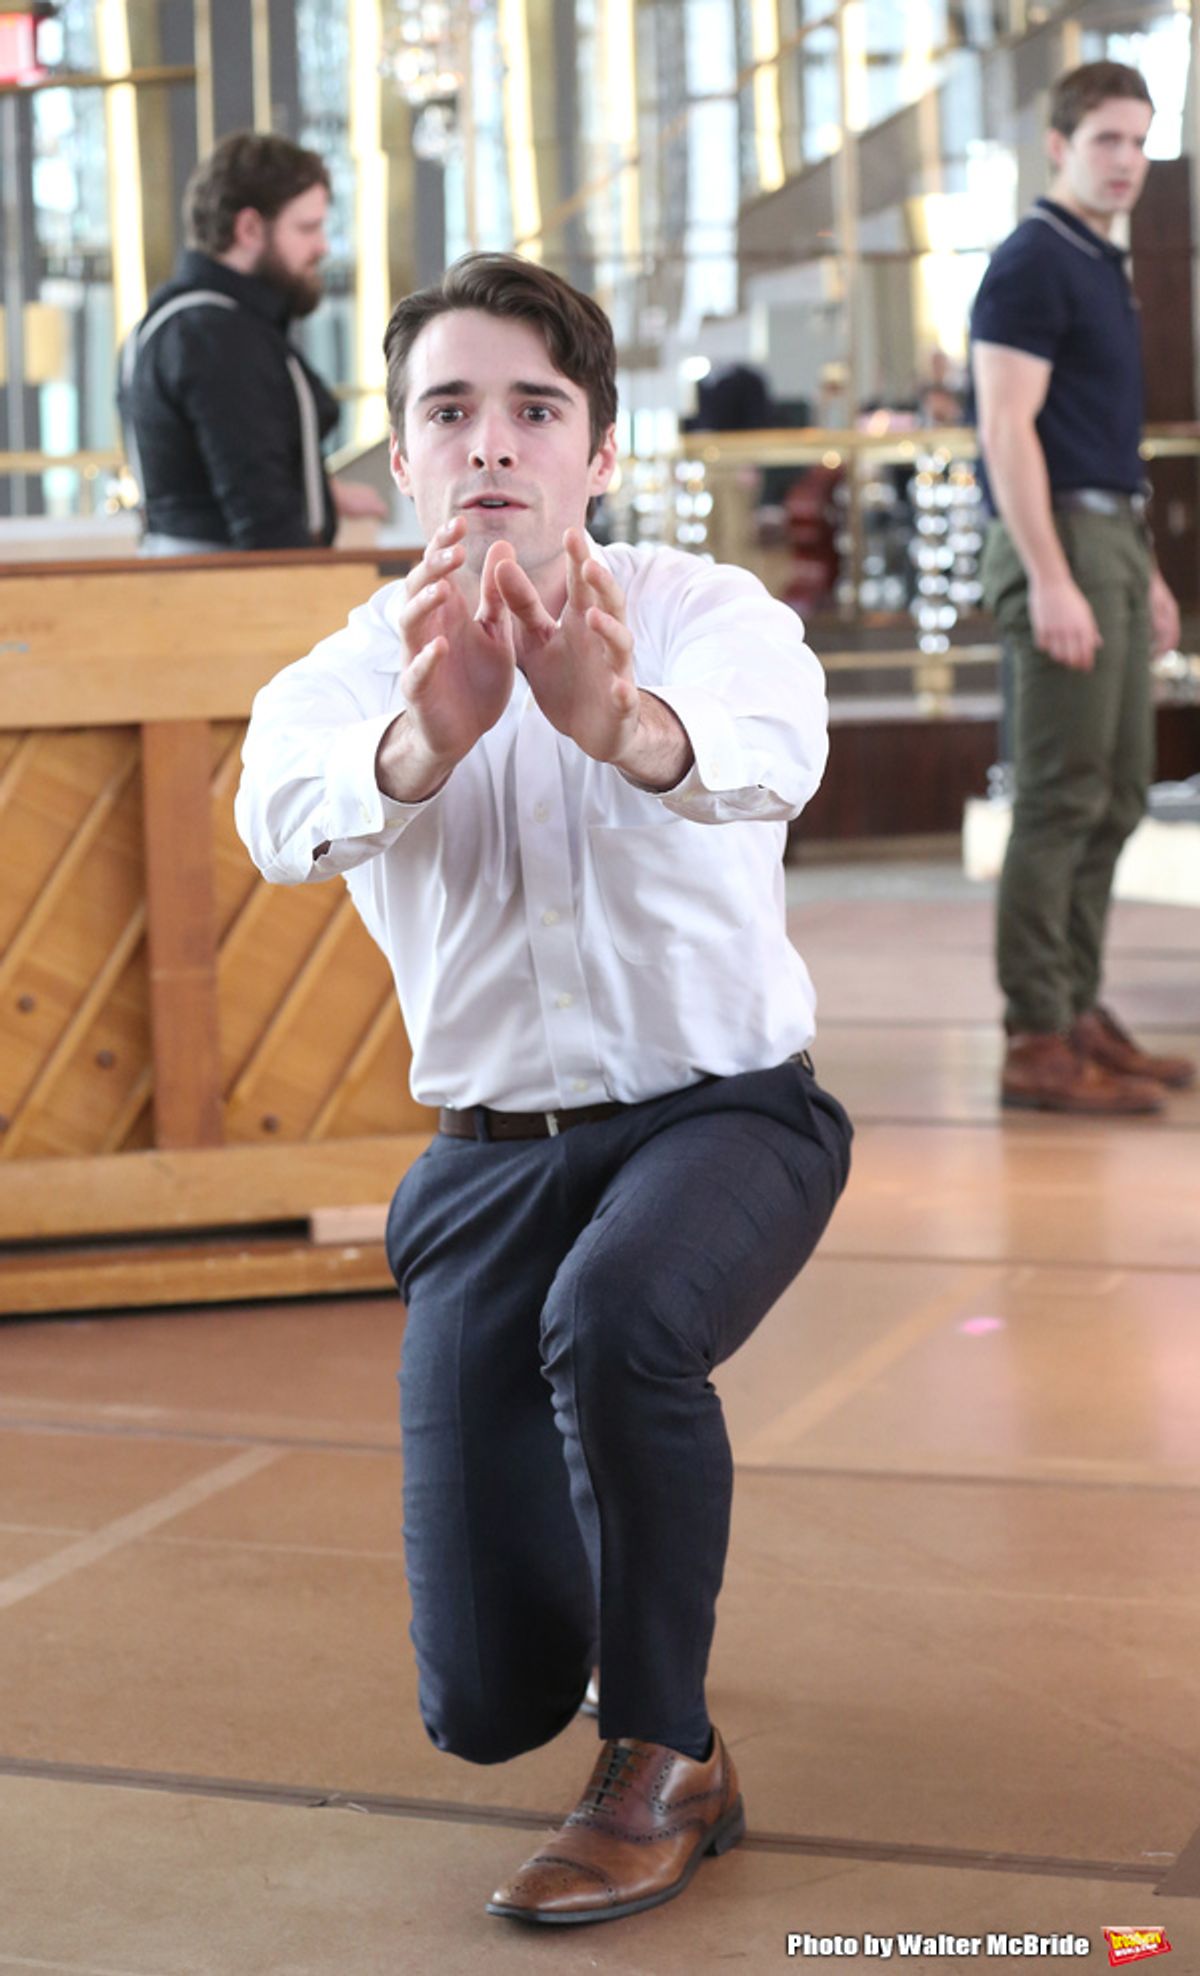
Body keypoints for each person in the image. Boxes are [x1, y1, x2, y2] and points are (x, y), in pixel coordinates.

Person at [235, 252, 852, 1929]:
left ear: (597, 449)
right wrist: (425, 735)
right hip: (491, 1164)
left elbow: (773, 750)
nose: (491, 441)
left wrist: (614, 716)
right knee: (486, 1698)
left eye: (534, 408)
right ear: (400, 454)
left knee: (623, 1315)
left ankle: (665, 1753)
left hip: (725, 1117)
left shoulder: (711, 611)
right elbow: (278, 812)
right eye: (451, 409)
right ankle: (584, 1632)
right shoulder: (352, 666)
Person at [971, 61, 1195, 1113]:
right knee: (1061, 798)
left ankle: (1078, 1002)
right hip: (1051, 538)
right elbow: (1006, 428)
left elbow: (1100, 440)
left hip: (1106, 533)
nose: (1128, 162)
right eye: (1108, 139)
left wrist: (1143, 571)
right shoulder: (1032, 261)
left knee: (1113, 795)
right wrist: (1054, 578)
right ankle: (1036, 1035)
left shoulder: (1103, 264)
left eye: (1141, 142)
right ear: (1057, 145)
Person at [117, 131, 386, 554]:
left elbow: (199, 477)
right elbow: (262, 517)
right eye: (307, 227)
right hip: (231, 599)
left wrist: (325, 493)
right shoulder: (218, 336)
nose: (322, 246)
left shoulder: (169, 321)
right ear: (249, 228)